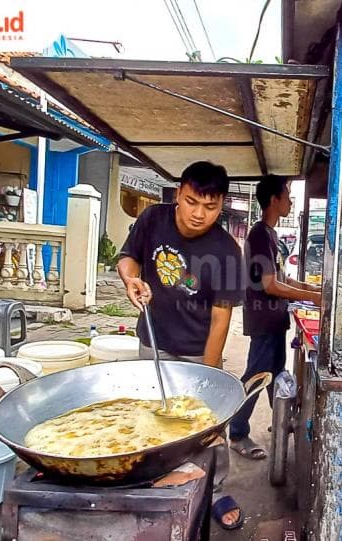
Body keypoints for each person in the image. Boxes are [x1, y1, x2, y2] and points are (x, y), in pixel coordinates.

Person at [117, 161, 245, 530]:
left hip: (197, 350)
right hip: (153, 342)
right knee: (152, 414)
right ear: (178, 194)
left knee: (206, 426)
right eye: (191, 202)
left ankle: (215, 488)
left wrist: (209, 375)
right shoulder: (153, 219)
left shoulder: (226, 251)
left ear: (221, 205)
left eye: (210, 206)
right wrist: (131, 279)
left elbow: (221, 319)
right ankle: (151, 478)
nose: (198, 214)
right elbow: (128, 258)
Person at [229, 176, 321, 459]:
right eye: (287, 197)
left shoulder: (271, 235)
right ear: (273, 200)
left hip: (275, 318)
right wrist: (314, 298)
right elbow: (270, 285)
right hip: (263, 319)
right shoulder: (259, 235)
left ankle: (281, 420)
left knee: (277, 372)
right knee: (257, 376)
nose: (290, 202)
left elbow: (282, 278)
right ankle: (237, 433)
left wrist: (311, 290)